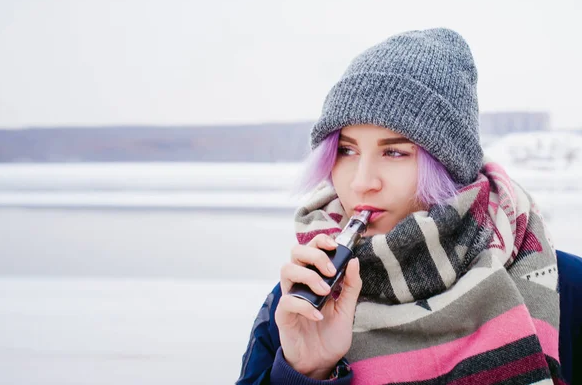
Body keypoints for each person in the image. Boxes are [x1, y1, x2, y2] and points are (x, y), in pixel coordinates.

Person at [236, 28, 568, 384]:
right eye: (347, 150)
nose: (362, 181)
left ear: (448, 165)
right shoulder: (301, 302)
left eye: (394, 152)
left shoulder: (562, 284)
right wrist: (304, 371)